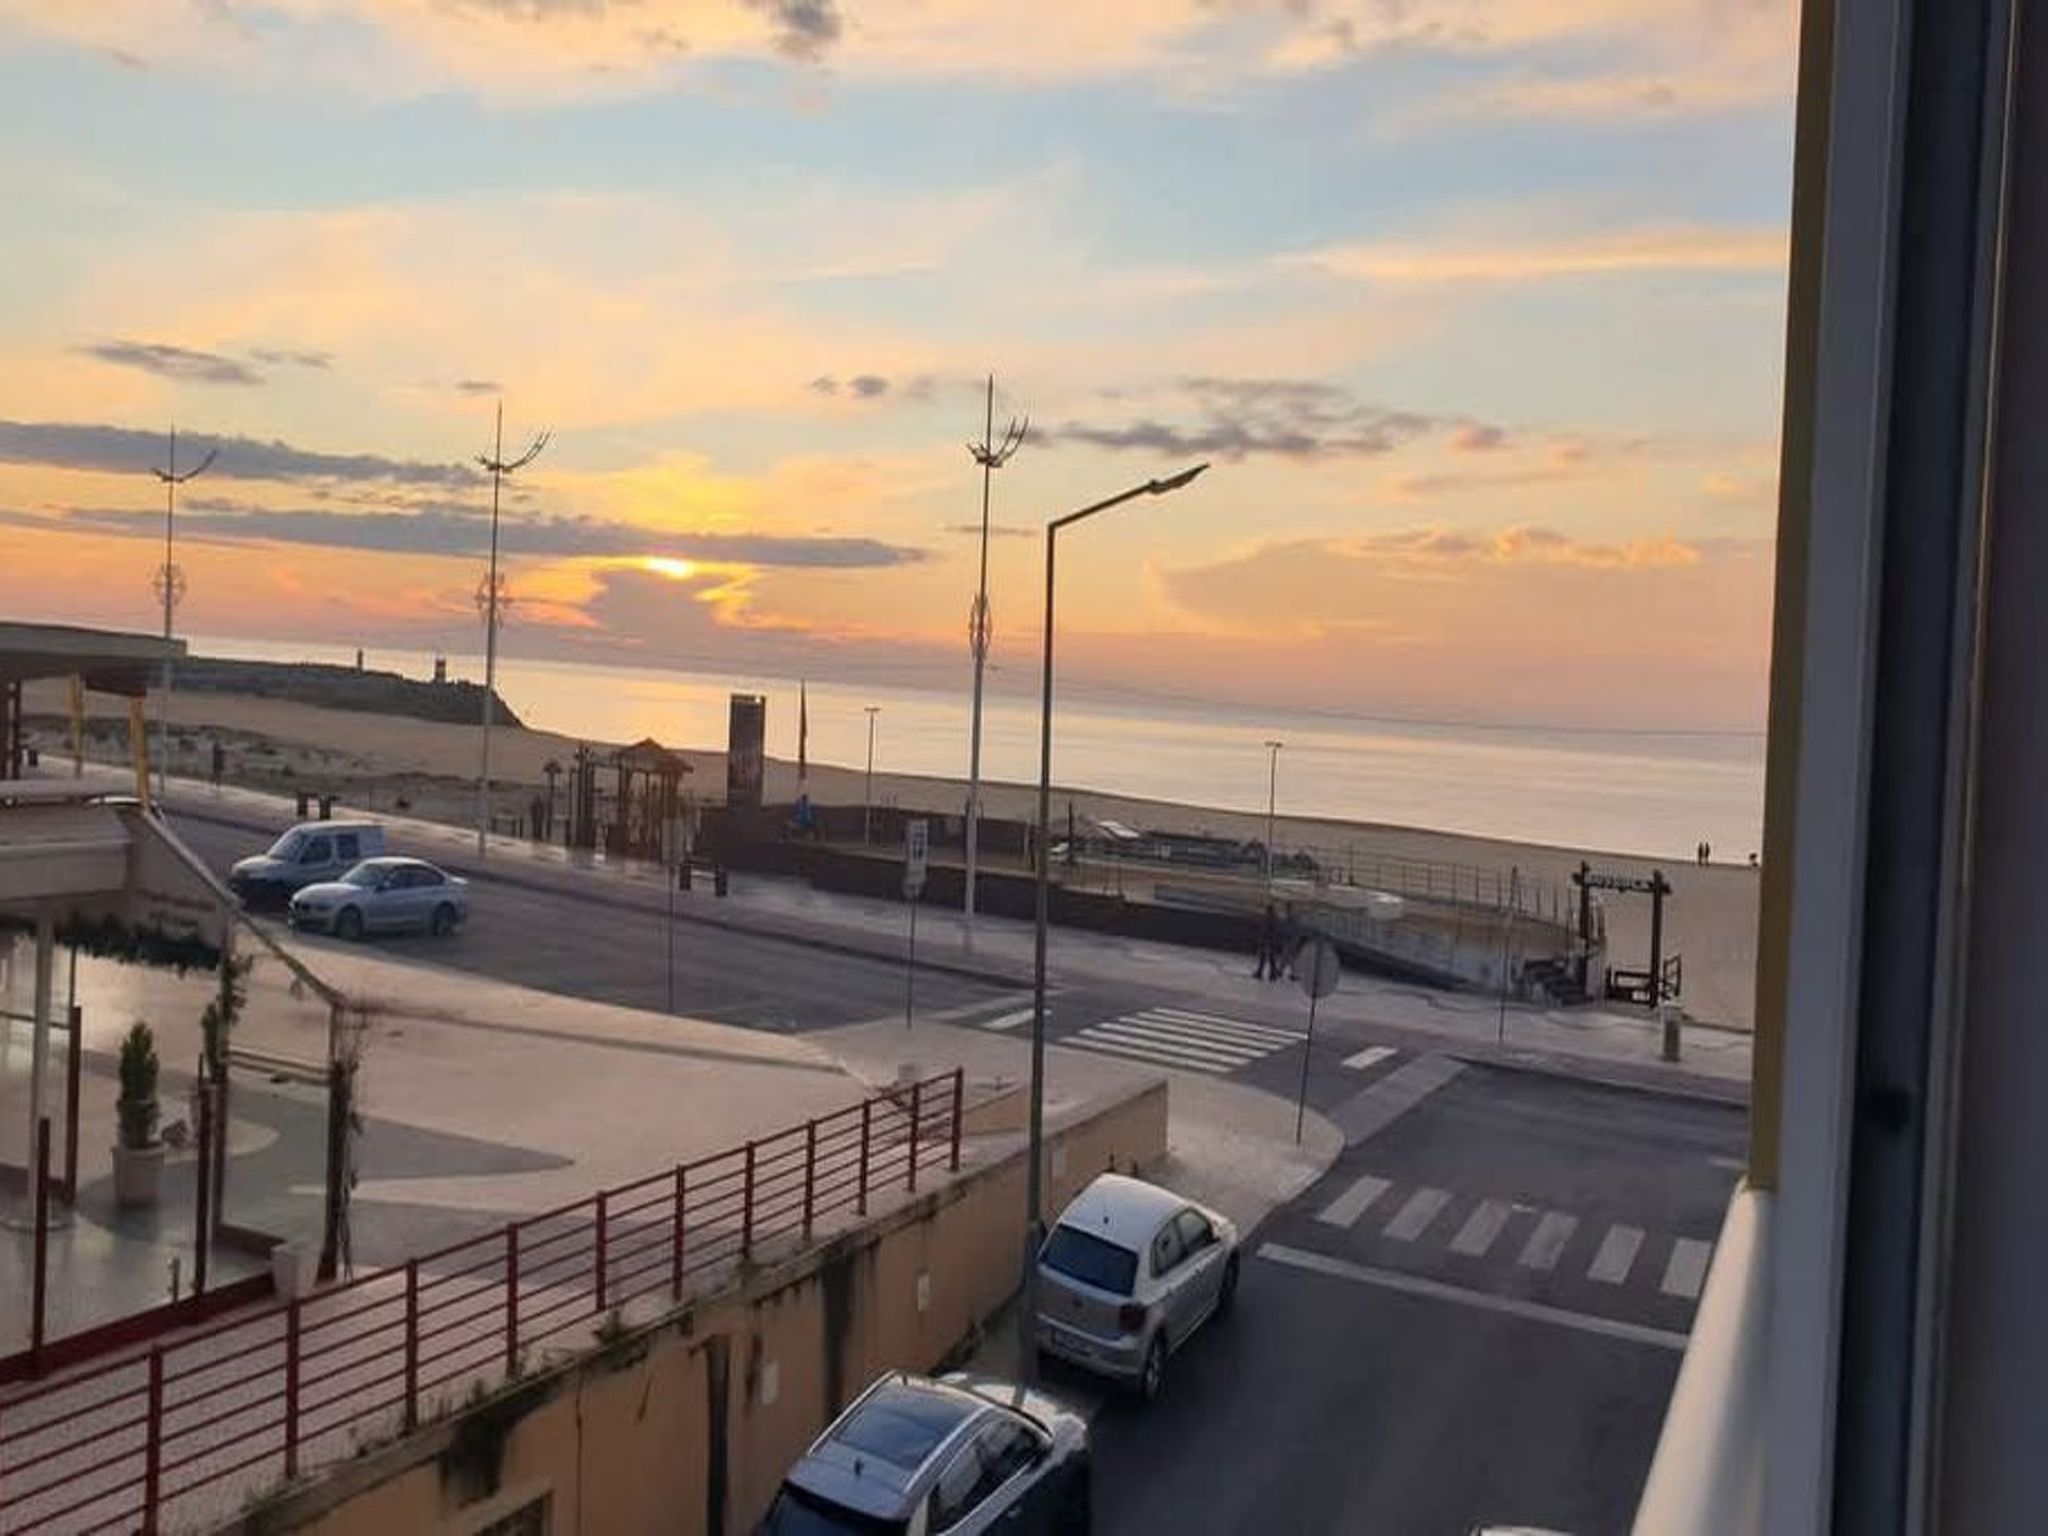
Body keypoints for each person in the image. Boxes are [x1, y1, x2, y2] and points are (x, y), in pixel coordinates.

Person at [1254, 902, 1279, 980]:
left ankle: (1262, 973)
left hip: (1268, 940)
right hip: (1270, 940)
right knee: (1270, 958)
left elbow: (1267, 930)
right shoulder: (1272, 918)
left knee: (1265, 957)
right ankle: (1271, 974)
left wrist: (1263, 939)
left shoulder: (1269, 919)